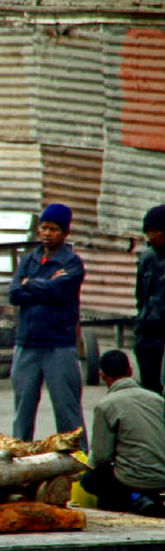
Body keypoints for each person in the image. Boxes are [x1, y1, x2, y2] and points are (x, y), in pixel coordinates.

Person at [8, 202, 88, 451]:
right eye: (43, 228)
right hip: (27, 343)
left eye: (53, 229)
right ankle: (19, 459)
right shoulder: (28, 260)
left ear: (65, 234)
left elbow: (60, 290)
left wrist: (30, 284)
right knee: (22, 411)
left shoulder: (72, 263)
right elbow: (14, 293)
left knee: (67, 410)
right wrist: (41, 285)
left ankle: (78, 462)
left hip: (58, 345)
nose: (46, 233)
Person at [80, 350, 165, 514]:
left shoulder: (106, 405)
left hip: (134, 479)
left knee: (90, 480)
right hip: (163, 475)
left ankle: (136, 498)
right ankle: (147, 498)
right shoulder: (157, 399)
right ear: (130, 371)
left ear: (102, 375)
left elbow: (100, 457)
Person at [134, 204, 165, 394]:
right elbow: (140, 296)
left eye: (156, 231)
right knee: (149, 390)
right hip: (147, 331)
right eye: (148, 232)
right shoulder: (146, 258)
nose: (151, 236)